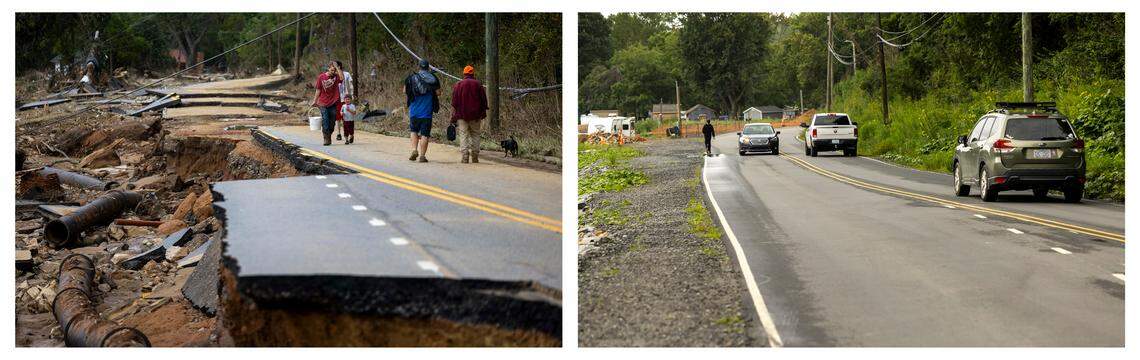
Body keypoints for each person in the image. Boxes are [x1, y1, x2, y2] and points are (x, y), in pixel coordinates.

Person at [450, 65, 489, 164]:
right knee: (475, 134)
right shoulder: (478, 84)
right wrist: (483, 113)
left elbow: (454, 102)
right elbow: (484, 101)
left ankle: (465, 156)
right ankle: (475, 156)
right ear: (473, 73)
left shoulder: (459, 84)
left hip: (462, 115)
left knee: (463, 135)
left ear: (464, 74)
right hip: (476, 116)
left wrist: (452, 115)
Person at [404, 59, 440, 162]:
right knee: (425, 134)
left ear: (419, 67)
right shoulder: (433, 78)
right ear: (428, 67)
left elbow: (404, 90)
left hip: (414, 111)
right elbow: (438, 93)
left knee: (414, 131)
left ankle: (414, 150)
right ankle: (422, 156)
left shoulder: (411, 78)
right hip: (427, 112)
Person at [311, 61, 343, 146]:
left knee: (332, 121)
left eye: (334, 70)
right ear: (328, 68)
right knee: (325, 119)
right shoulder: (321, 77)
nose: (333, 72)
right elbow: (318, 90)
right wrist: (315, 101)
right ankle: (326, 138)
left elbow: (342, 78)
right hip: (323, 103)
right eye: (332, 70)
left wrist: (337, 68)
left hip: (333, 102)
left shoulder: (336, 77)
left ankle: (329, 135)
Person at [334, 60, 354, 141]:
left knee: (346, 117)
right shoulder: (333, 75)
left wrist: (351, 94)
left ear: (338, 66)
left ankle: (349, 133)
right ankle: (338, 133)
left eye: (334, 66)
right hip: (337, 99)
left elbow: (351, 85)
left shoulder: (346, 74)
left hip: (345, 98)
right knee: (338, 117)